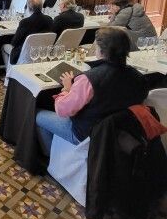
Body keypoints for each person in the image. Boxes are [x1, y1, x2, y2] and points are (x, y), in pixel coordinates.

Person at [35, 27, 148, 155]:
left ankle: (50, 158)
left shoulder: (88, 80)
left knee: (37, 115)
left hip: (87, 135)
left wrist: (67, 89)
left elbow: (62, 110)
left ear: (101, 50)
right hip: (121, 132)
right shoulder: (138, 77)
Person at [1, 0, 53, 66]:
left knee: (4, 47)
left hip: (25, 54)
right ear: (41, 6)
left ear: (29, 8)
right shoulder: (49, 20)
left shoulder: (25, 22)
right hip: (43, 52)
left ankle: (11, 72)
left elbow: (14, 43)